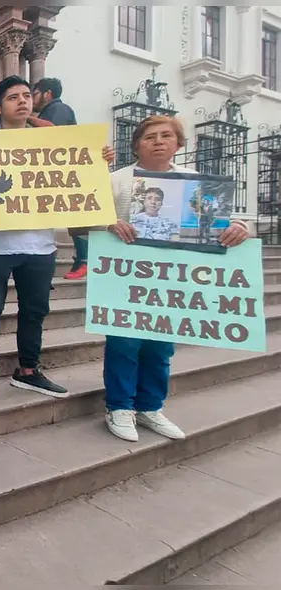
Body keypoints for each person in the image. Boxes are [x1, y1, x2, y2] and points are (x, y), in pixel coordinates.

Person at [101, 114, 248, 442]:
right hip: (125, 277)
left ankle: (150, 406)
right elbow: (84, 219)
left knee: (161, 345)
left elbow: (221, 220)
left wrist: (240, 227)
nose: (157, 141)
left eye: (166, 135)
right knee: (124, 342)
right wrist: (109, 224)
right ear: (136, 143)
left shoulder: (193, 181)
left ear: (178, 144)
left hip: (173, 280)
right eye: (149, 136)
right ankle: (119, 406)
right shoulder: (116, 180)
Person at [0, 75, 114, 404]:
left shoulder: (53, 137)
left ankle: (28, 370)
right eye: (12, 97)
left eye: (25, 95)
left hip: (40, 245)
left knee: (35, 310)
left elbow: (81, 171)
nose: (22, 101)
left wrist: (99, 159)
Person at [31, 78, 88, 280]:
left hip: (67, 171)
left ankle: (84, 261)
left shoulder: (59, 109)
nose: (31, 99)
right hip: (58, 171)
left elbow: (53, 133)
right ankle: (82, 260)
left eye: (34, 93)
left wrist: (28, 118)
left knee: (76, 217)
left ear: (48, 94)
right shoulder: (51, 111)